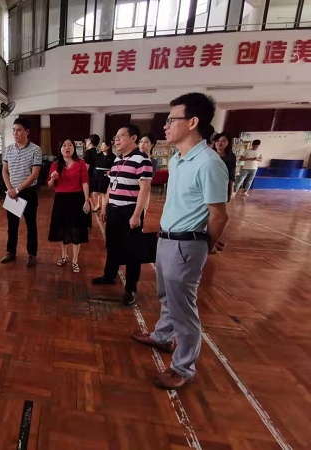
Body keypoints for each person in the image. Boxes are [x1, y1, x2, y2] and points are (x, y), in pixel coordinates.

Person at [131, 92, 229, 390]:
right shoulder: (177, 160)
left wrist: (204, 245)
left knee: (183, 310)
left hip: (187, 244)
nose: (165, 126)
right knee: (166, 296)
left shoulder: (209, 163)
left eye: (171, 120)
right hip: (166, 239)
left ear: (193, 122)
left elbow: (219, 215)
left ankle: (183, 367)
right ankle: (162, 336)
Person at [91, 124, 152, 306]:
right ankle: (109, 275)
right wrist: (104, 207)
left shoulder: (142, 160)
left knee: (133, 250)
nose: (116, 140)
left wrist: (137, 215)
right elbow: (112, 185)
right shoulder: (118, 160)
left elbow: (145, 189)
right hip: (114, 210)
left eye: (121, 136)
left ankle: (131, 288)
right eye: (115, 137)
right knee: (112, 245)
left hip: (130, 211)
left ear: (133, 138)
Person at [1, 117, 42, 267]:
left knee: (31, 225)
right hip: (12, 193)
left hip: (28, 192)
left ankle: (32, 254)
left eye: (19, 130)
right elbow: (4, 171)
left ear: (27, 132)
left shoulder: (36, 150)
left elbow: (34, 174)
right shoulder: (9, 149)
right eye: (13, 130)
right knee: (12, 225)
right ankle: (11, 251)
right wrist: (10, 189)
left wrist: (18, 189)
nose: (15, 133)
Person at [47, 139, 90, 273]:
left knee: (76, 230)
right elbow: (49, 185)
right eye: (64, 145)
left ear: (74, 148)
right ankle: (64, 255)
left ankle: (75, 260)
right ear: (60, 149)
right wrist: (53, 178)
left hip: (77, 199)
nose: (67, 147)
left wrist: (87, 200)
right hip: (61, 200)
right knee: (62, 229)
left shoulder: (80, 163)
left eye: (70, 145)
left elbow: (85, 182)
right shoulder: (55, 164)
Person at [213, 132, 237, 200]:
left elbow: (231, 174)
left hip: (222, 185)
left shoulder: (231, 157)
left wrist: (231, 191)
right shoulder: (209, 154)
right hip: (209, 183)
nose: (219, 143)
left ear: (228, 143)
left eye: (223, 141)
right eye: (218, 141)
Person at [91, 139, 114, 206]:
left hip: (105, 177)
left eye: (103, 145)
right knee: (95, 192)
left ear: (108, 146)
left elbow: (113, 167)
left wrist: (110, 172)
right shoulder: (98, 156)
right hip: (97, 176)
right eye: (101, 145)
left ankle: (103, 206)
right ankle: (96, 206)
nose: (101, 147)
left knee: (103, 193)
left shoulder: (113, 157)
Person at [83, 134, 100, 209]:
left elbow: (86, 167)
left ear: (89, 141)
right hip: (94, 177)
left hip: (88, 177)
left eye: (87, 141)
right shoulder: (96, 152)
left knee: (85, 196)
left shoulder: (88, 152)